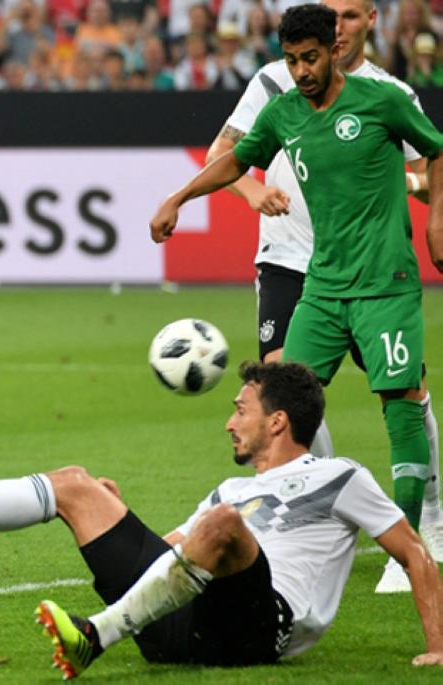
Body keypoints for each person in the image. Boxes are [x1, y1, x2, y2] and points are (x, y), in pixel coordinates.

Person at [0, 363, 443, 678]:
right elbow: (175, 553)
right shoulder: (232, 488)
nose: (229, 422)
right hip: (183, 627)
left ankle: (97, 635)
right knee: (77, 485)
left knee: (223, 526)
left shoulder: (339, 475)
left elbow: (414, 554)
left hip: (261, 631)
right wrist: (118, 520)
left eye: (240, 410)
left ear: (279, 422)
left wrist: (438, 649)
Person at [201, 0, 443, 592]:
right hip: (288, 259)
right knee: (288, 385)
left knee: (403, 388)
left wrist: (398, 188)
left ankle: (426, 517)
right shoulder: (272, 83)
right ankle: (311, 513)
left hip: (368, 268)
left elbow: (423, 169)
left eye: (352, 16)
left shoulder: (390, 95)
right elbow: (223, 156)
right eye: (331, 14)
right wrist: (251, 193)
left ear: (369, 25)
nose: (339, 27)